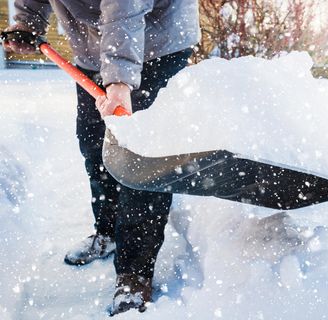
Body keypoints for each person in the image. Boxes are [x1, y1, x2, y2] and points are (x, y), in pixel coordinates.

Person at [3, 0, 200, 315]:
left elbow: (125, 7)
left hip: (157, 42)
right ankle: (107, 231)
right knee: (95, 144)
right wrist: (28, 21)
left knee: (141, 158)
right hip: (93, 49)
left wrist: (119, 81)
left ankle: (134, 275)